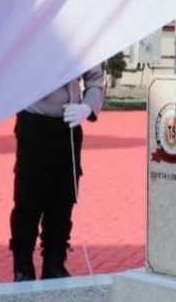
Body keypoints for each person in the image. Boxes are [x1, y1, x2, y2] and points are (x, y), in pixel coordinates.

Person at [10, 65, 106, 281]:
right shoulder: (31, 34)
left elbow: (96, 81)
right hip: (35, 122)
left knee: (63, 200)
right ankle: (22, 266)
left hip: (68, 126)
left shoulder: (83, 38)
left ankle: (54, 263)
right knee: (28, 200)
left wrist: (87, 108)